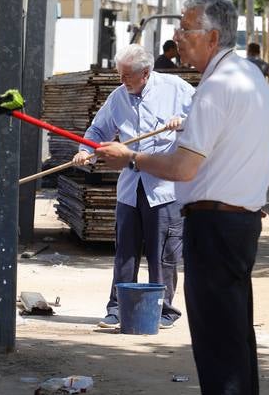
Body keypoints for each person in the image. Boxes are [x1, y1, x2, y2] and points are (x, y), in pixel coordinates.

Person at [97, 0, 269, 395]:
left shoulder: (217, 87)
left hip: (216, 223)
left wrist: (130, 157)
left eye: (187, 29)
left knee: (219, 342)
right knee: (233, 337)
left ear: (213, 37)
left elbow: (181, 166)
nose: (178, 37)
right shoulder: (252, 78)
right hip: (240, 221)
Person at [72, 44, 193, 328]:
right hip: (130, 188)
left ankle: (163, 310)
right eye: (120, 75)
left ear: (146, 73)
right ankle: (117, 309)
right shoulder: (118, 98)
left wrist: (183, 122)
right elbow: (97, 130)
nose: (122, 81)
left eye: (127, 76)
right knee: (125, 253)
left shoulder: (175, 89)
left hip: (164, 189)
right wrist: (85, 150)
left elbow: (206, 119)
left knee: (162, 255)